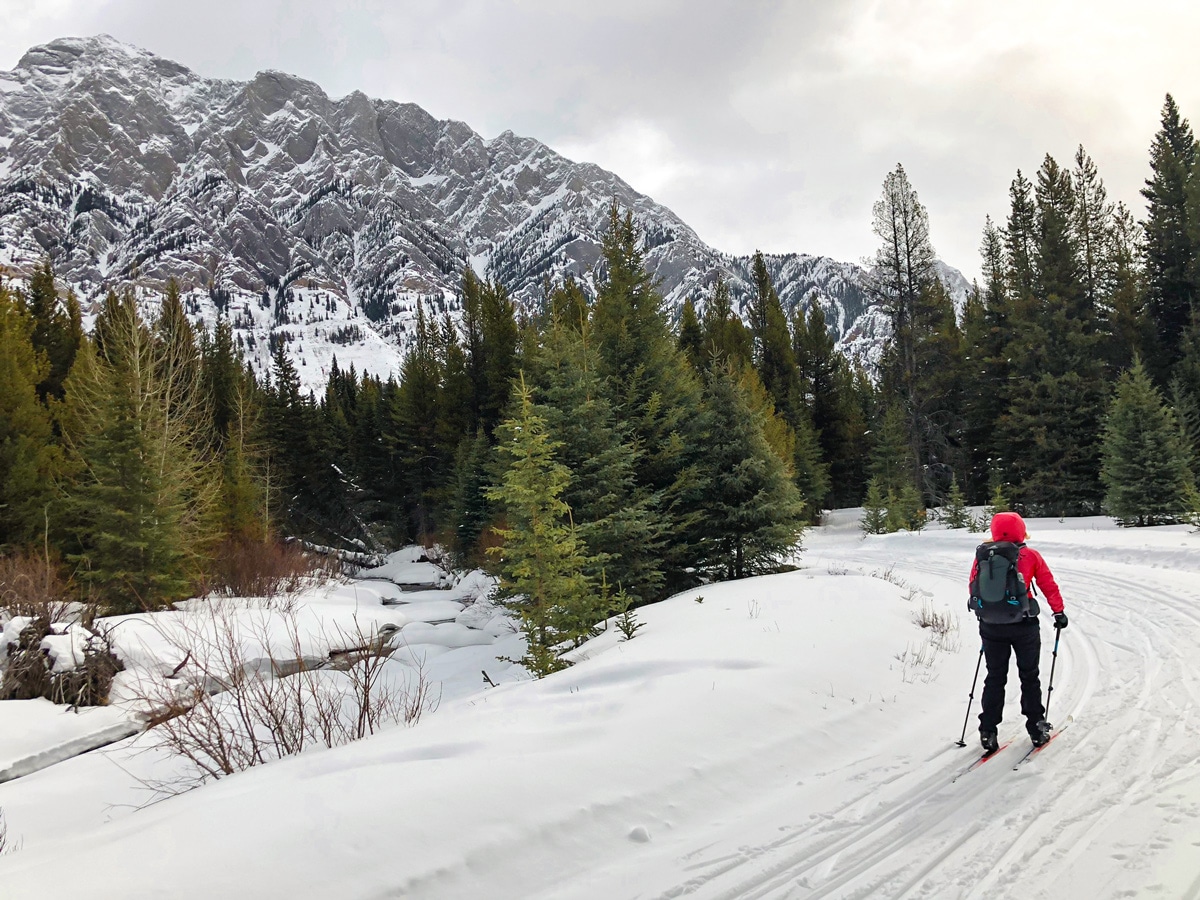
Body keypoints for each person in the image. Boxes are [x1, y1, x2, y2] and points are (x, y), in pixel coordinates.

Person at [968, 511, 1068, 751]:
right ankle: (1036, 728)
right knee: (1029, 675)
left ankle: (988, 731)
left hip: (991, 625)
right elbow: (1047, 584)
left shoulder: (983, 555)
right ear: (1021, 530)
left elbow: (973, 585)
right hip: (1024, 625)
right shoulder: (1030, 555)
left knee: (994, 677)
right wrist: (1058, 612)